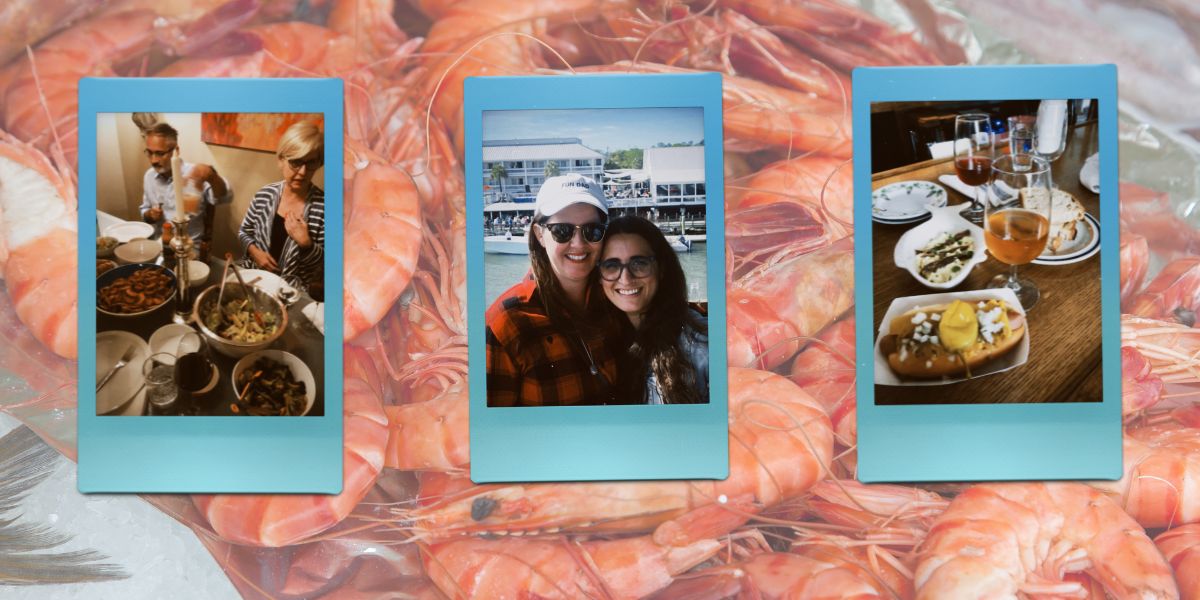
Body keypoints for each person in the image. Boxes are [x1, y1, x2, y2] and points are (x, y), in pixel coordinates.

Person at [486, 173, 629, 407]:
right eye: (562, 230)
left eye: (592, 230)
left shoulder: (618, 297)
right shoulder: (506, 324)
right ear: (540, 235)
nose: (579, 243)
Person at [597, 216, 708, 405]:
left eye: (639, 263)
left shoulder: (700, 343)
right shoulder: (601, 340)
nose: (625, 279)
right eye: (612, 265)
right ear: (599, 276)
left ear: (661, 268)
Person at [237, 121, 325, 292]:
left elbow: (327, 265)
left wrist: (307, 244)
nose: (303, 172)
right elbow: (244, 232)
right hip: (255, 276)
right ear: (281, 161)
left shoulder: (324, 209)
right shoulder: (265, 195)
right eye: (296, 162)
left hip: (291, 291)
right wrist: (254, 251)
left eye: (311, 163)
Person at [137, 122, 232, 258]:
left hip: (191, 247)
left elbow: (224, 197)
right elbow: (144, 209)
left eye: (159, 153)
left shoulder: (195, 174)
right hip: (160, 245)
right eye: (149, 153)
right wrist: (149, 214)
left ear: (176, 150)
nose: (153, 160)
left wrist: (212, 177)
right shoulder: (149, 176)